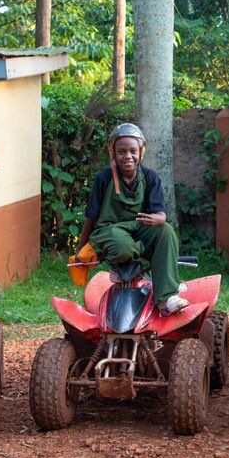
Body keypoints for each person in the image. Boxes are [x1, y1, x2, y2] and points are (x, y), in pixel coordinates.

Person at [75, 123, 188, 314]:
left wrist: (160, 219)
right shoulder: (103, 179)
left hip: (139, 227)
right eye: (121, 151)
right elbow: (91, 215)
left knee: (166, 232)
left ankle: (166, 298)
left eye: (133, 151)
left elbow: (159, 212)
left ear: (141, 152)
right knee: (122, 248)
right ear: (113, 153)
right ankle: (152, 259)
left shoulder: (151, 177)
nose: (127, 156)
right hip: (110, 230)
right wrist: (81, 248)